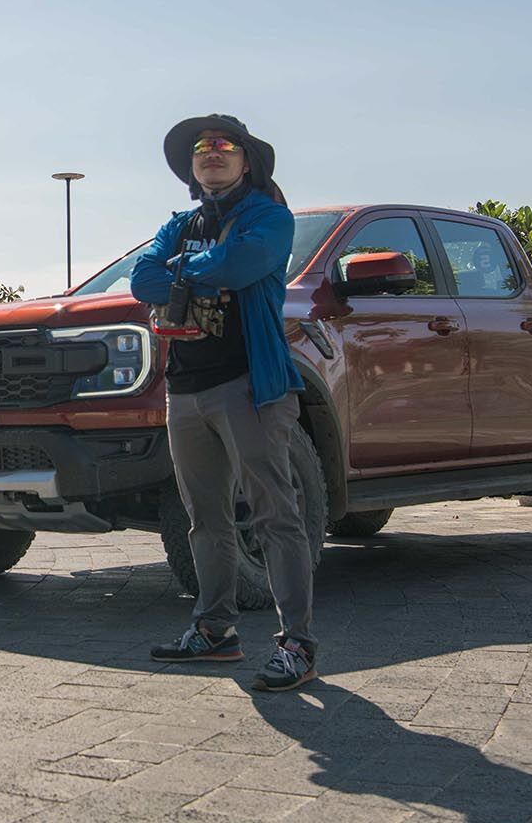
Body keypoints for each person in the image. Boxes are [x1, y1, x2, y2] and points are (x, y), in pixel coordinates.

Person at [130, 114, 318, 691]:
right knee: (204, 520)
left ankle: (298, 646)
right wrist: (197, 274)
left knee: (275, 516)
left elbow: (243, 263)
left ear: (246, 160)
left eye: (223, 146)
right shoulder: (179, 224)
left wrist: (180, 273)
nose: (210, 153)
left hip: (249, 385)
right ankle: (215, 633)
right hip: (184, 390)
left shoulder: (268, 216)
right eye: (201, 148)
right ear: (191, 167)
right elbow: (141, 279)